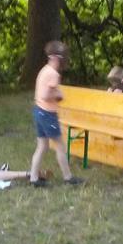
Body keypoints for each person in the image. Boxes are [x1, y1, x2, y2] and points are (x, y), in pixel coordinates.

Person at [30, 41, 83, 188]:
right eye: (62, 58)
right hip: (48, 114)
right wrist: (59, 95)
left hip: (38, 111)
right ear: (54, 57)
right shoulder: (53, 74)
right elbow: (46, 95)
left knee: (42, 146)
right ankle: (68, 177)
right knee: (60, 146)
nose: (63, 61)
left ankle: (34, 178)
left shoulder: (44, 70)